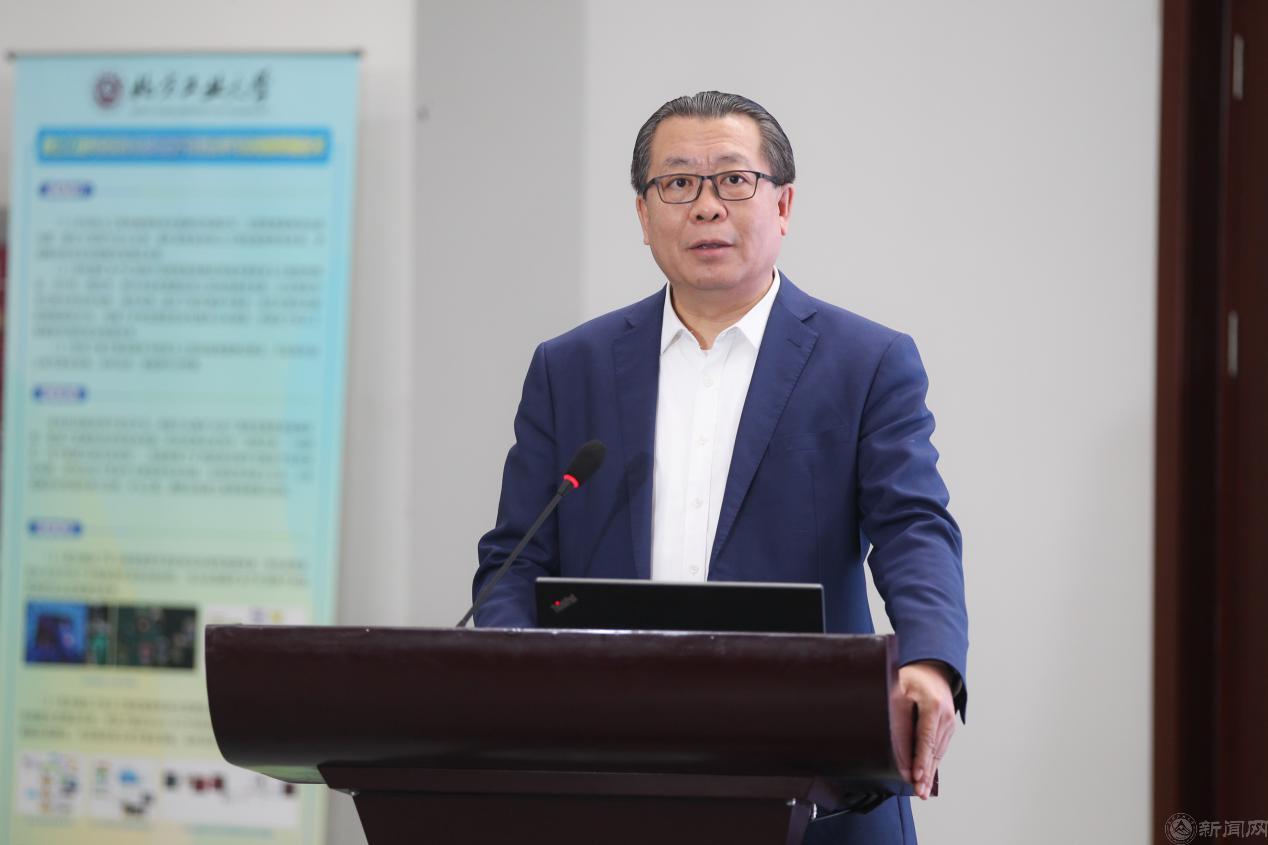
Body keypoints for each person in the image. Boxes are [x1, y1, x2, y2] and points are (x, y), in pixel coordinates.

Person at [473, 91, 969, 845]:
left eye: (734, 179)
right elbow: (516, 557)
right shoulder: (569, 368)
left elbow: (913, 527)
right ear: (643, 215)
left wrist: (930, 661)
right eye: (678, 183)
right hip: (609, 782)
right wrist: (513, 684)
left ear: (783, 204)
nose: (706, 206)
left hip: (815, 784)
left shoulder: (865, 361)